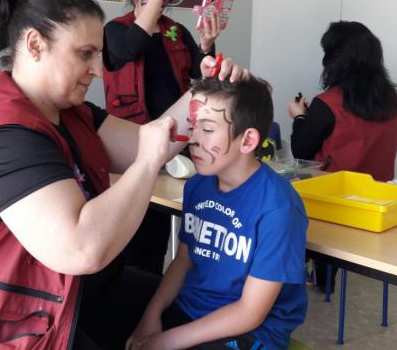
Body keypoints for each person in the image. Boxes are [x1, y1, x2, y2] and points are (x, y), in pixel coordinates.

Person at [0, 0, 248, 350]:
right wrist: (149, 160)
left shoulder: (71, 112)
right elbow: (82, 249)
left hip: (69, 294)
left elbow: (150, 141)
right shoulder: (5, 134)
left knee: (203, 319)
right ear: (35, 45)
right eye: (85, 54)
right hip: (9, 318)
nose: (98, 71)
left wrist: (205, 90)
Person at [127, 77, 308, 350]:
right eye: (192, 126)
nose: (192, 139)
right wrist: (150, 318)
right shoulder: (198, 185)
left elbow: (250, 312)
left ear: (247, 140)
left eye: (207, 129)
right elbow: (184, 259)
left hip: (250, 331)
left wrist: (167, 341)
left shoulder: (278, 209)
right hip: (192, 310)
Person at [102, 0, 222, 275]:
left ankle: (156, 288)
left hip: (176, 145)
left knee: (160, 232)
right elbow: (129, 49)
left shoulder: (175, 32)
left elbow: (202, 76)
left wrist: (207, 46)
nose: (160, 2)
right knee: (135, 235)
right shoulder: (116, 30)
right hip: (133, 144)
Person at [288, 20, 397, 292]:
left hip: (333, 201)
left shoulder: (327, 103)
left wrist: (299, 116)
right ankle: (327, 277)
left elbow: (301, 152)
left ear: (335, 60)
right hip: (376, 200)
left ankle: (306, 267)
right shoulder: (394, 101)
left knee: (285, 197)